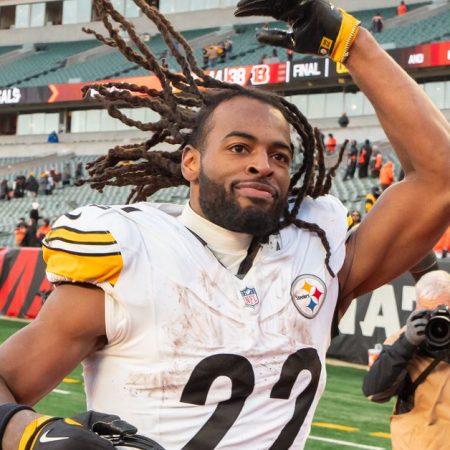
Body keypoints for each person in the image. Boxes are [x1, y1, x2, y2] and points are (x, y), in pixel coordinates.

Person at [0, 1, 449, 449]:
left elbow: (440, 177)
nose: (262, 165)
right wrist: (28, 435)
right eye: (239, 148)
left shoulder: (319, 256)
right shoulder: (134, 256)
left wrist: (352, 42)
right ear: (190, 162)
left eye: (279, 155)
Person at [362, 270, 450, 450]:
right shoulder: (403, 339)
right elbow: (374, 392)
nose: (438, 320)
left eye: (444, 311)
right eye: (430, 312)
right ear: (418, 309)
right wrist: (407, 344)